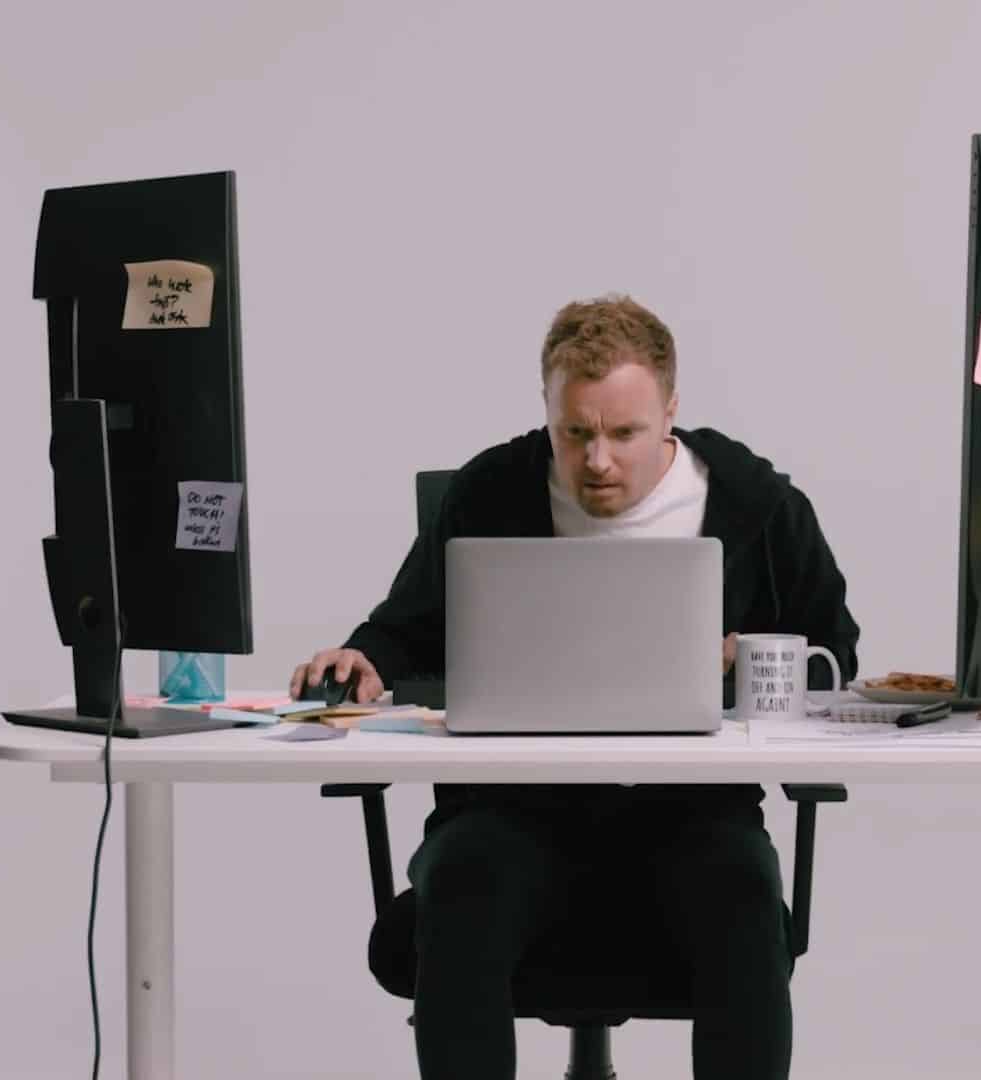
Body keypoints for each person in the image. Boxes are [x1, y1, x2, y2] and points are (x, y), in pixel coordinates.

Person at [290, 294, 860, 1080]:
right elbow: (406, 626)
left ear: (671, 412)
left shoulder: (759, 506)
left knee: (740, 895)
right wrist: (361, 658)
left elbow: (837, 656)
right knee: (465, 882)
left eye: (624, 433)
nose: (598, 461)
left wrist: (747, 660)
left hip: (691, 813)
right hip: (510, 808)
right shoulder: (490, 489)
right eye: (576, 434)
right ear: (549, 413)